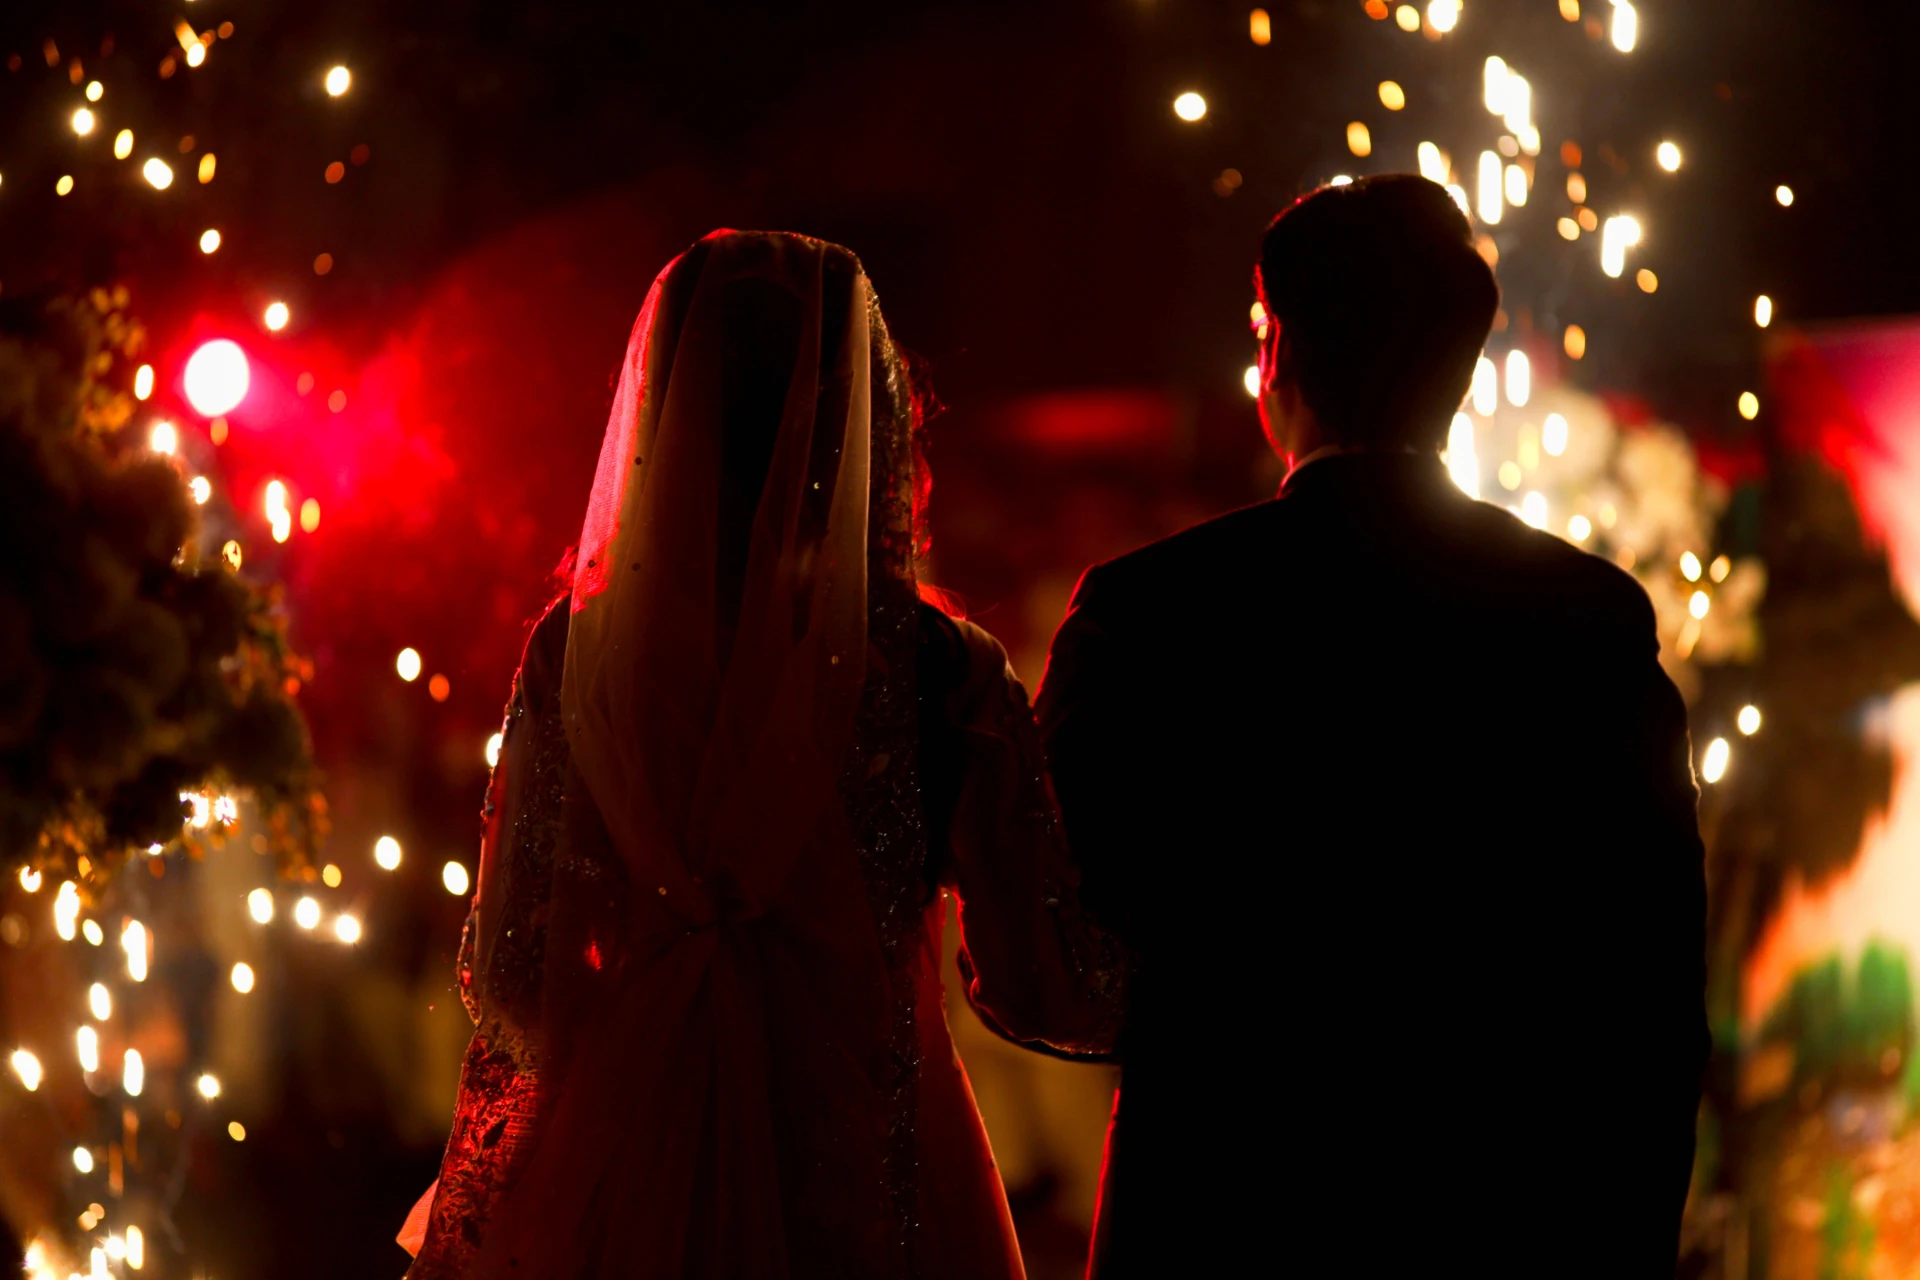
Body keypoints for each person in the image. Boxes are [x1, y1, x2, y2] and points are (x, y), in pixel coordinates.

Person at [398, 230, 1124, 1279]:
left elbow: (511, 966)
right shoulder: (934, 669)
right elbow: (1047, 982)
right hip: (872, 1166)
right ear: (861, 419)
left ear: (664, 415)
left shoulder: (580, 659)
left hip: (627, 1166)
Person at [1034, 176, 1708, 1277]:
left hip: (1222, 1208)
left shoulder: (1153, 609)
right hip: (1502, 1216)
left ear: (1279, 351)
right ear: (1462, 361)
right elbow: (1653, 981)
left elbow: (1052, 932)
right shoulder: (1584, 615)